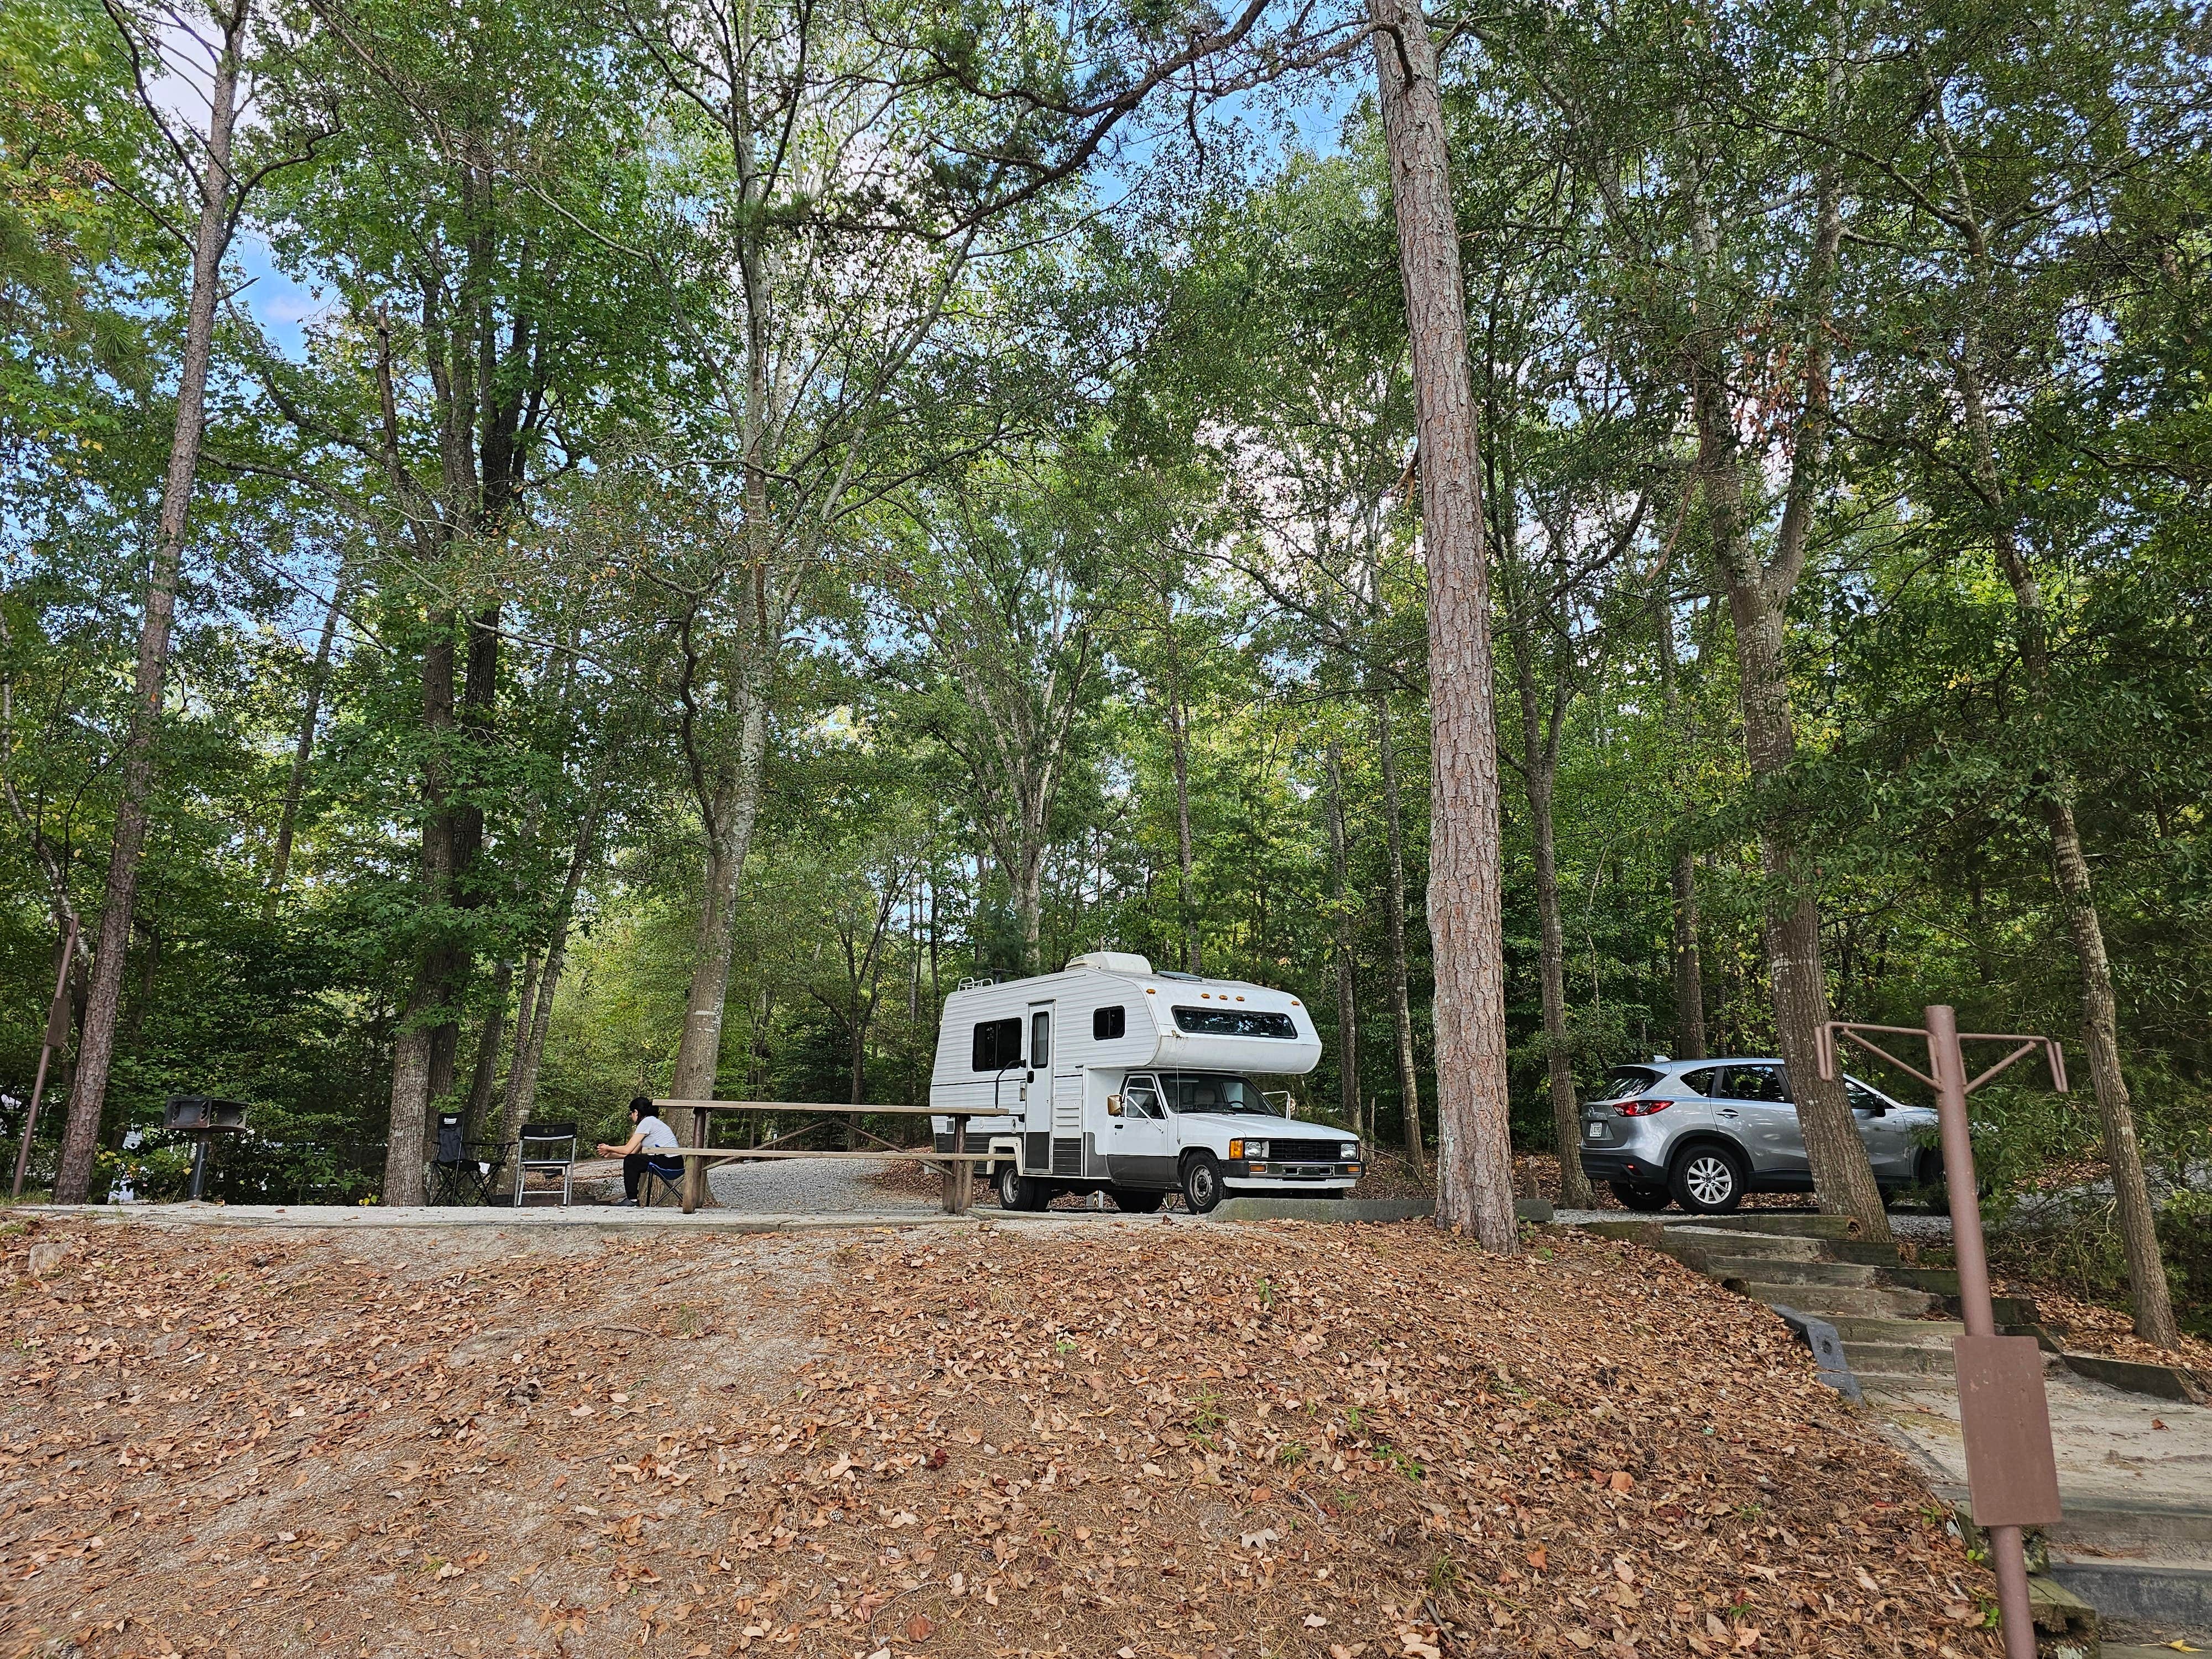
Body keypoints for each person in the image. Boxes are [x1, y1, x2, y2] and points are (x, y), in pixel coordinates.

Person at [597, 1097, 682, 1206]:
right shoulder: (653, 1122)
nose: (631, 1117)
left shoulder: (647, 1121)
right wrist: (610, 1155)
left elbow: (627, 1149)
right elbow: (631, 1154)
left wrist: (608, 1147)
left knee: (632, 1161)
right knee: (632, 1160)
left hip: (668, 1161)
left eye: (631, 1113)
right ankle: (632, 1199)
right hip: (675, 1163)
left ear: (636, 1112)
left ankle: (632, 1200)